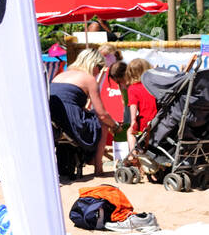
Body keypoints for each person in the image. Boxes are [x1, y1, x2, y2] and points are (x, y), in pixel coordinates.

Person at [50, 48, 120, 177]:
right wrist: (115, 126)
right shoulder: (88, 79)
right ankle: (98, 167)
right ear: (93, 65)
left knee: (91, 115)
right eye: (99, 67)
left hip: (52, 120)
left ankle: (87, 158)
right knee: (102, 123)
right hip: (70, 122)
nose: (99, 71)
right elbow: (102, 114)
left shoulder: (60, 75)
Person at [126, 58, 157, 134]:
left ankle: (133, 146)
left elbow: (133, 105)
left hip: (145, 123)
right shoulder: (154, 85)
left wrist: (133, 120)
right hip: (160, 121)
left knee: (129, 132)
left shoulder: (133, 88)